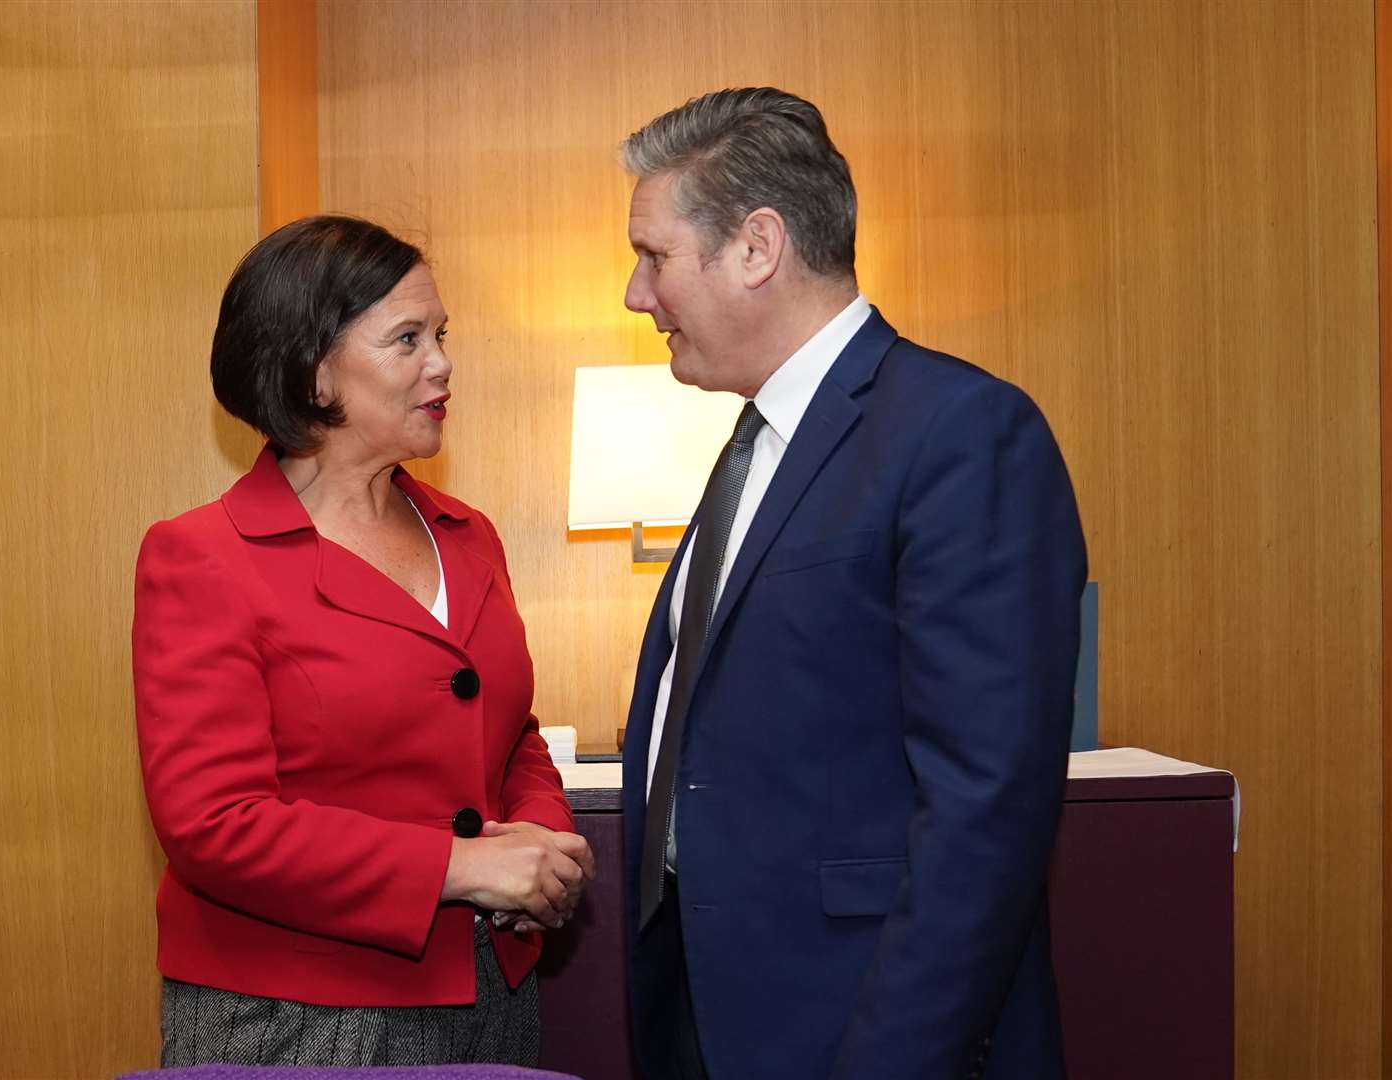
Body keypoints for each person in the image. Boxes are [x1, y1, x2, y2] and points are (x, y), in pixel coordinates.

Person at [617, 88, 1087, 1080]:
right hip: (715, 1013)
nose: (635, 294)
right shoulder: (754, 445)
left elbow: (983, 812)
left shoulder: (958, 432)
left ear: (756, 246)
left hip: (864, 1029)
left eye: (652, 256)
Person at [132, 215, 593, 1068]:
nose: (443, 363)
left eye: (442, 334)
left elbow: (511, 731)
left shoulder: (469, 535)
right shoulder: (202, 556)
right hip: (292, 1018)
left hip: (492, 985)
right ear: (312, 369)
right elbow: (214, 823)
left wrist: (542, 844)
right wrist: (461, 868)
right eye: (407, 338)